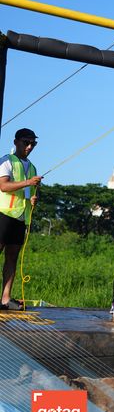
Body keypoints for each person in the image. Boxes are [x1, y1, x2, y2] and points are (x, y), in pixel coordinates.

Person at [0, 129, 42, 310]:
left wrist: (32, 198)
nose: (30, 147)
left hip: (20, 218)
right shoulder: (6, 161)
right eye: (26, 142)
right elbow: (3, 186)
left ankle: (5, 299)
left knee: (12, 258)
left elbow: (28, 193)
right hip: (3, 214)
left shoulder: (32, 168)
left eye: (33, 143)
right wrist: (28, 183)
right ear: (16, 142)